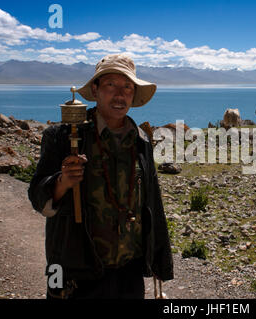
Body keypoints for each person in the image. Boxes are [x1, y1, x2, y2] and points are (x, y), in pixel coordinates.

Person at [28, 53, 173, 299]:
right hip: (78, 269)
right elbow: (37, 196)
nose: (120, 94)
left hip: (129, 268)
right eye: (111, 85)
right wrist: (62, 182)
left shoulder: (141, 141)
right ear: (95, 90)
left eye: (127, 87)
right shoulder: (63, 137)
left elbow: (152, 203)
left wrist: (160, 261)